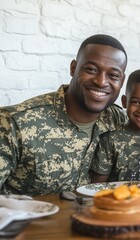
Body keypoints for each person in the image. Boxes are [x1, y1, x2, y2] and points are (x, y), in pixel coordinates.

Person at [0, 34, 128, 195]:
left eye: (113, 75)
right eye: (92, 69)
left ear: (122, 82)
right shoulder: (13, 123)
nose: (101, 82)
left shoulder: (118, 121)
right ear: (73, 68)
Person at [91, 69, 140, 183]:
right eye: (136, 102)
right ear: (124, 101)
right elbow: (97, 186)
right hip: (122, 199)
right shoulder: (110, 140)